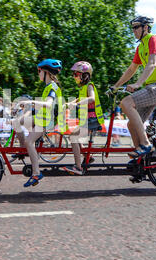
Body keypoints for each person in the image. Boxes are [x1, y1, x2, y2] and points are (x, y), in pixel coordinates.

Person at [111, 16, 156, 161]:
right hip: (152, 87)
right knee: (131, 124)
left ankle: (145, 144)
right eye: (132, 28)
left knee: (126, 103)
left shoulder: (153, 39)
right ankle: (141, 163)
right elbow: (131, 69)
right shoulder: (140, 47)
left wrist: (138, 83)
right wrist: (116, 86)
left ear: (145, 27)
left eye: (136, 27)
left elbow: (152, 63)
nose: (133, 31)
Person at [15, 59, 66, 187]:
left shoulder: (52, 87)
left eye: (39, 71)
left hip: (45, 122)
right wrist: (28, 107)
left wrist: (29, 102)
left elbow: (48, 104)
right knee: (16, 123)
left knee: (29, 141)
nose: (38, 74)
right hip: (40, 119)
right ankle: (24, 150)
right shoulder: (48, 87)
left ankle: (36, 173)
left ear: (46, 72)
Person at [62, 61, 105, 175]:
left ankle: (78, 167)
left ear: (84, 75)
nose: (74, 77)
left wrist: (77, 104)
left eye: (76, 74)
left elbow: (92, 98)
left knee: (73, 137)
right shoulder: (82, 88)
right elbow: (78, 99)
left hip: (93, 120)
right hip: (88, 120)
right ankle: (88, 157)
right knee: (75, 136)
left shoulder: (90, 85)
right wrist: (69, 103)